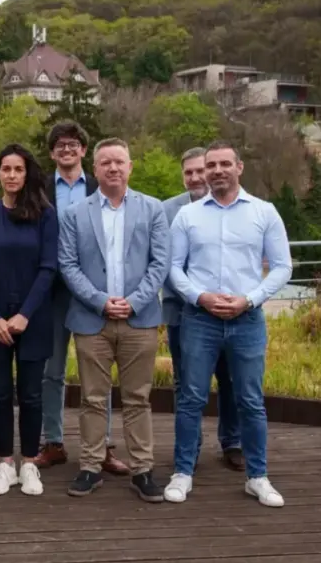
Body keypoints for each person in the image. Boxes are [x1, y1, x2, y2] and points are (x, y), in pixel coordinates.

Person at [165, 140, 292, 508]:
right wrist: (199, 296)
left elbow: (283, 266)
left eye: (224, 164)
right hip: (199, 319)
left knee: (250, 399)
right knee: (190, 397)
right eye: (210, 166)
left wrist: (249, 299)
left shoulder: (264, 212)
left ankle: (258, 476)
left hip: (247, 318)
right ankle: (183, 472)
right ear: (204, 171)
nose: (217, 171)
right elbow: (174, 267)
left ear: (239, 167)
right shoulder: (187, 216)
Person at [58, 138, 169, 502]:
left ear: (130, 166)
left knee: (138, 398)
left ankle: (143, 469)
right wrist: (101, 301)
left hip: (141, 319)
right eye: (105, 162)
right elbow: (69, 266)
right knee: (92, 398)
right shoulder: (76, 214)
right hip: (92, 319)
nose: (113, 168)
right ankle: (90, 466)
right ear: (95, 169)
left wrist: (135, 302)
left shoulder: (152, 209)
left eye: (119, 161)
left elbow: (160, 263)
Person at [37, 121, 126, 475]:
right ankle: (53, 442)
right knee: (52, 372)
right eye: (59, 145)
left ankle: (102, 446)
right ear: (52, 152)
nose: (66, 150)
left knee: (98, 374)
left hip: (93, 293)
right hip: (52, 292)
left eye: (73, 144)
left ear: (84, 151)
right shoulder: (39, 188)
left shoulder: (100, 185)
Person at [0, 145, 59, 496]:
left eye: (18, 169)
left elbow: (48, 267)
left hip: (33, 317)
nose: (11, 175)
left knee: (32, 393)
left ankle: (29, 463)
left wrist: (24, 314)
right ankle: (5, 462)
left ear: (27, 174)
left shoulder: (45, 214)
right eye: (5, 169)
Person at [162, 147, 243, 471]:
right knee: (186, 384)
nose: (195, 177)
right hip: (182, 311)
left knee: (231, 379)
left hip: (229, 310)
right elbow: (163, 263)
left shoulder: (236, 209)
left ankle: (233, 442)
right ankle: (189, 446)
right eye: (189, 173)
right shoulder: (167, 210)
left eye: (200, 170)